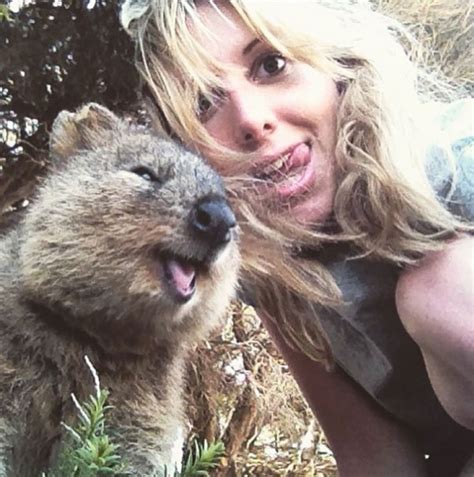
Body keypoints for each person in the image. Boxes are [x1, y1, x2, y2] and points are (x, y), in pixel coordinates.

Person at [120, 1, 474, 475]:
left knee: (437, 292)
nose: (250, 120)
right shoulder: (268, 266)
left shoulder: (458, 157)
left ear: (336, 63)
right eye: (204, 102)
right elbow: (375, 457)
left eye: (271, 64)